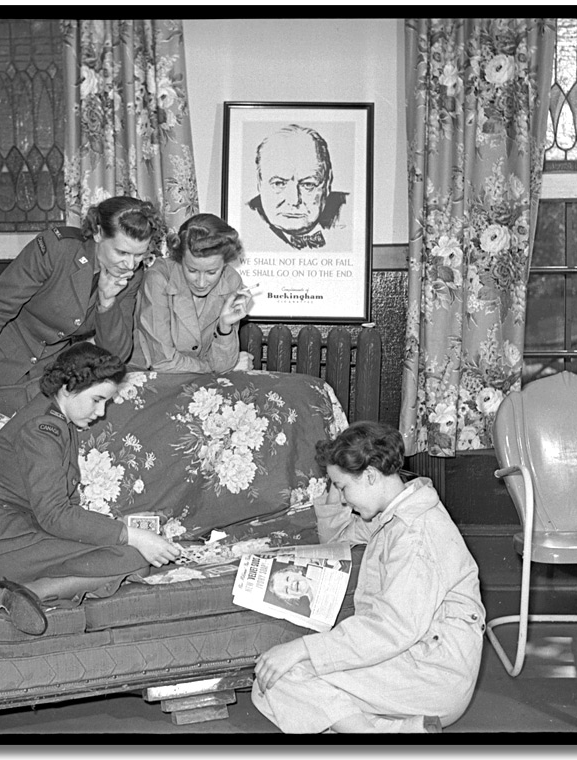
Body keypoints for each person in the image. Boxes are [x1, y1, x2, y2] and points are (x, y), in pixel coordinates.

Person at [252, 421, 485, 734]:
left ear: (372, 476)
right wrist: (337, 486)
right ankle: (404, 730)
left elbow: (391, 628)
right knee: (269, 683)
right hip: (411, 658)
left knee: (280, 679)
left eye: (344, 487)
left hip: (432, 675)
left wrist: (303, 648)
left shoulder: (416, 533)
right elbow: (338, 541)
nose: (344, 498)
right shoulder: (396, 506)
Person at [0, 342, 182, 634]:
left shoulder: (53, 417)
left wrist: (121, 530)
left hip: (4, 541)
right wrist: (131, 536)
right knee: (132, 558)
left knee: (128, 552)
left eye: (106, 403)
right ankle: (23, 593)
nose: (101, 412)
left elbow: (55, 511)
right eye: (96, 400)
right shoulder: (43, 429)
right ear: (67, 387)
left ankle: (17, 592)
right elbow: (56, 516)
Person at [0, 196, 165, 403]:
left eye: (139, 255)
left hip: (42, 378)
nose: (129, 264)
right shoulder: (57, 249)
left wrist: (106, 302)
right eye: (121, 252)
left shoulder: (132, 276)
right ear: (98, 234)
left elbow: (116, 355)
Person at [130, 213, 254, 373]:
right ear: (180, 258)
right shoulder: (158, 279)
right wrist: (211, 368)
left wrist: (225, 327)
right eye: (192, 270)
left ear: (224, 264)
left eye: (211, 272)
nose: (201, 283)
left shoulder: (231, 281)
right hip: (149, 379)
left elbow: (224, 364)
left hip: (198, 382)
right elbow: (162, 362)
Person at [242, 124, 353, 252]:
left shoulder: (354, 212)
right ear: (259, 183)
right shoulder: (242, 220)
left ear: (328, 184)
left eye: (308, 185)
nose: (294, 201)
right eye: (279, 184)